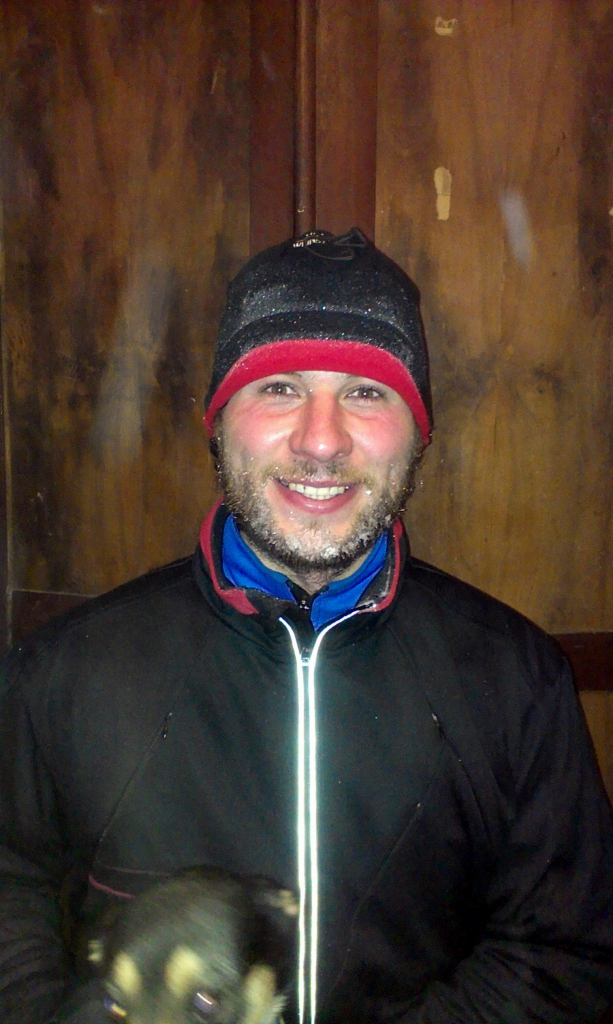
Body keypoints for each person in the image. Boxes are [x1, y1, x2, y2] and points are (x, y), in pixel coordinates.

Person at [0, 227, 612, 1024]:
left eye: (366, 392)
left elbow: (563, 956)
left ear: (418, 430)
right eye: (279, 387)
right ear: (219, 419)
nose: (320, 440)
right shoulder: (64, 673)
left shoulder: (517, 682)